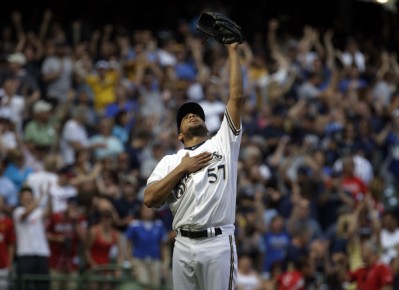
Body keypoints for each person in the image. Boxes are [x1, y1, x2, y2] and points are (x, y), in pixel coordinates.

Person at [144, 41, 244, 290]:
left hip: (218, 241)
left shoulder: (223, 142)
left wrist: (232, 51)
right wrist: (182, 169)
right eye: (185, 116)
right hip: (183, 244)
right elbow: (150, 198)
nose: (191, 115)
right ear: (179, 135)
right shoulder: (170, 162)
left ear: (207, 125)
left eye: (196, 113)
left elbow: (237, 97)